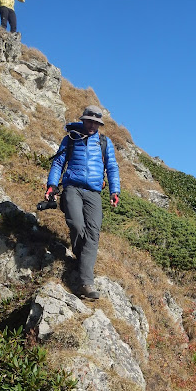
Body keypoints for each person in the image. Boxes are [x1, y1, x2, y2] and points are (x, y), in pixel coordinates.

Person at [45, 105, 120, 300]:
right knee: (77, 226)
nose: (92, 125)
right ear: (83, 120)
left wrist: (115, 191)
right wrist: (52, 185)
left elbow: (111, 167)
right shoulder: (70, 138)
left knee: (93, 234)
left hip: (94, 193)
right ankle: (81, 258)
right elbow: (59, 163)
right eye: (89, 121)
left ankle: (86, 282)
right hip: (72, 189)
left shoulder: (104, 142)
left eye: (96, 123)